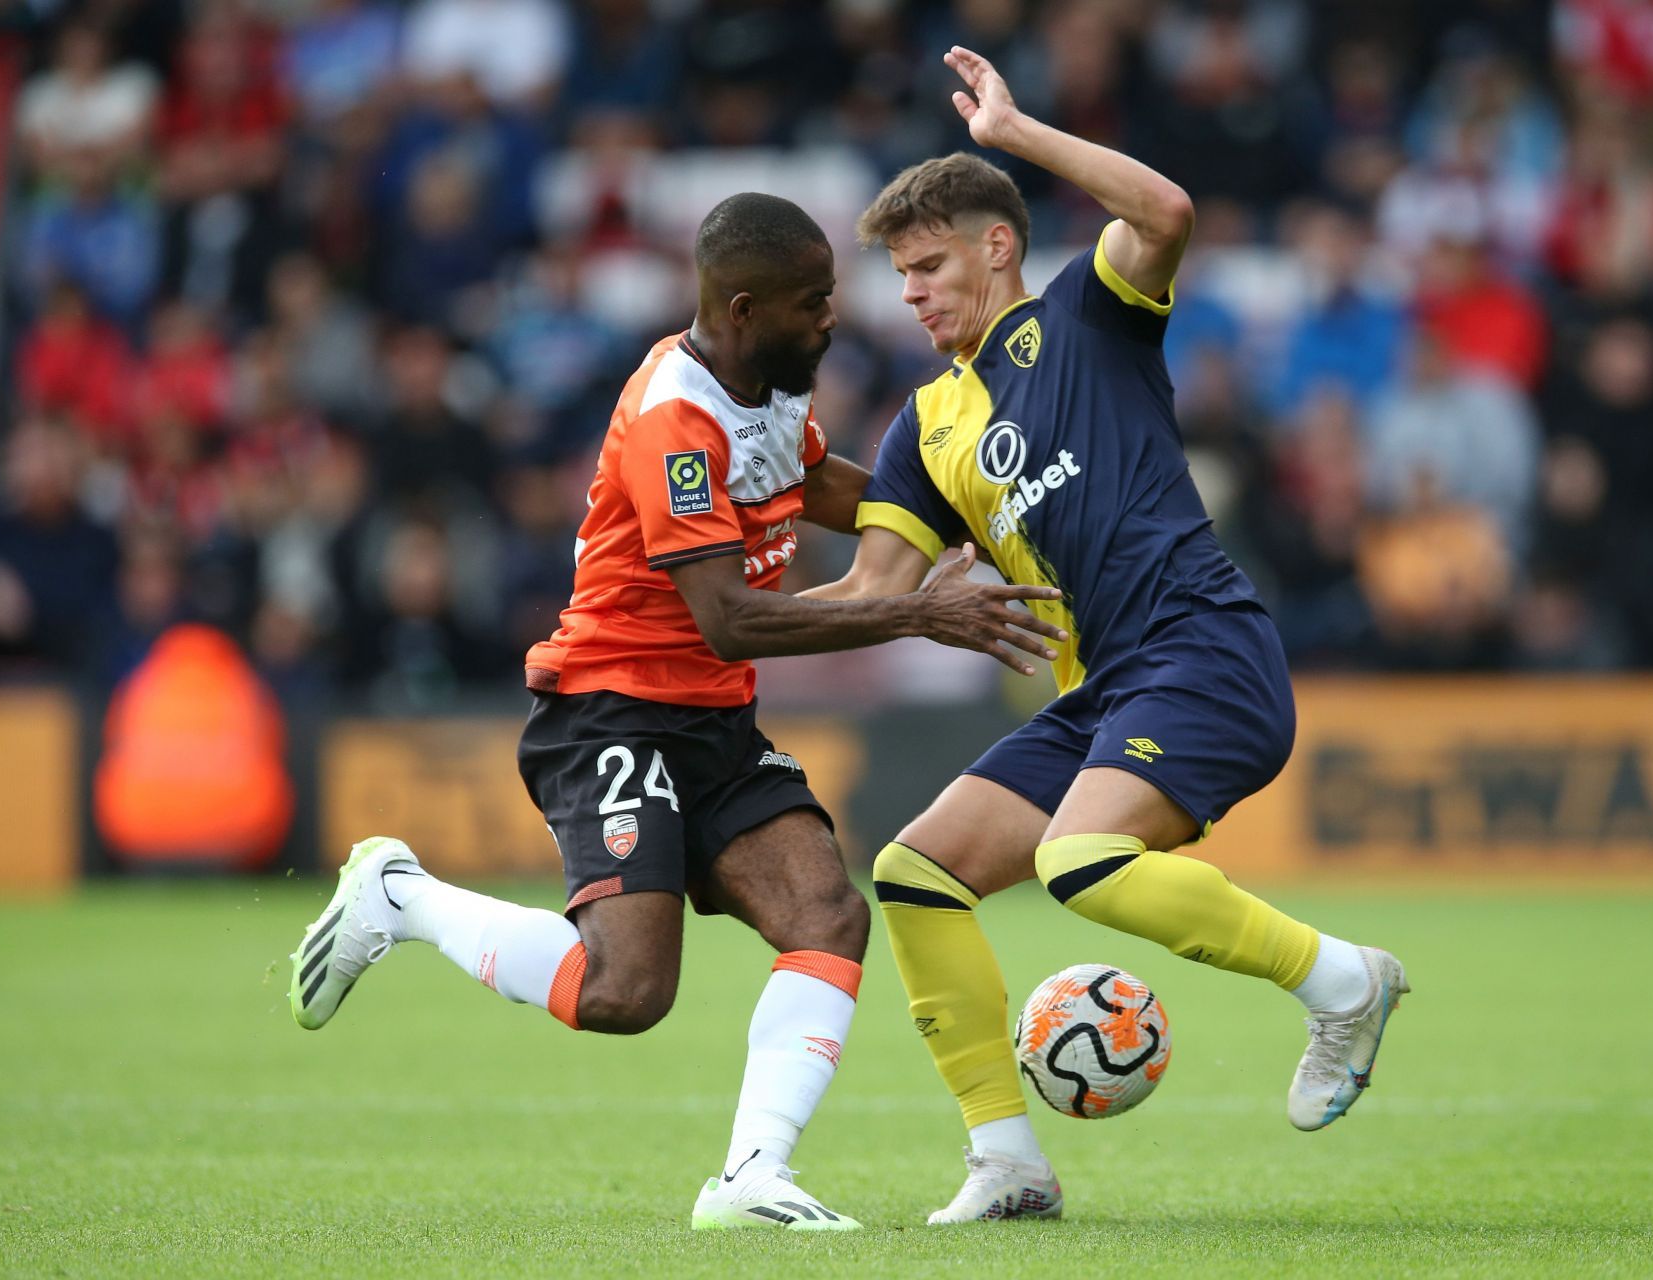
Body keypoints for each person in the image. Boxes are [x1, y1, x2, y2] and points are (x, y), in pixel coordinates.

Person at [287, 191, 1065, 1231]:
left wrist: (964, 503)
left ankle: (750, 1177)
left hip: (709, 720)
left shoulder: (769, 381)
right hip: (610, 710)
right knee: (625, 991)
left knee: (826, 913)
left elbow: (819, 480)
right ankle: (401, 893)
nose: (835, 317)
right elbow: (733, 618)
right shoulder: (675, 418)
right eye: (814, 301)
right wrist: (921, 611)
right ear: (743, 308)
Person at [809, 48, 1411, 1225]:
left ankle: (1344, 981)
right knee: (915, 873)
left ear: (996, 246)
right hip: (1096, 694)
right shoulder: (922, 427)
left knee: (1075, 861)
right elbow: (870, 589)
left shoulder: (1088, 313)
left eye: (930, 266)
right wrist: (714, 620)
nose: (914, 296)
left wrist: (1016, 132)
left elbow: (1167, 209)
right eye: (900, 276)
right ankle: (1008, 1160)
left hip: (1202, 647)